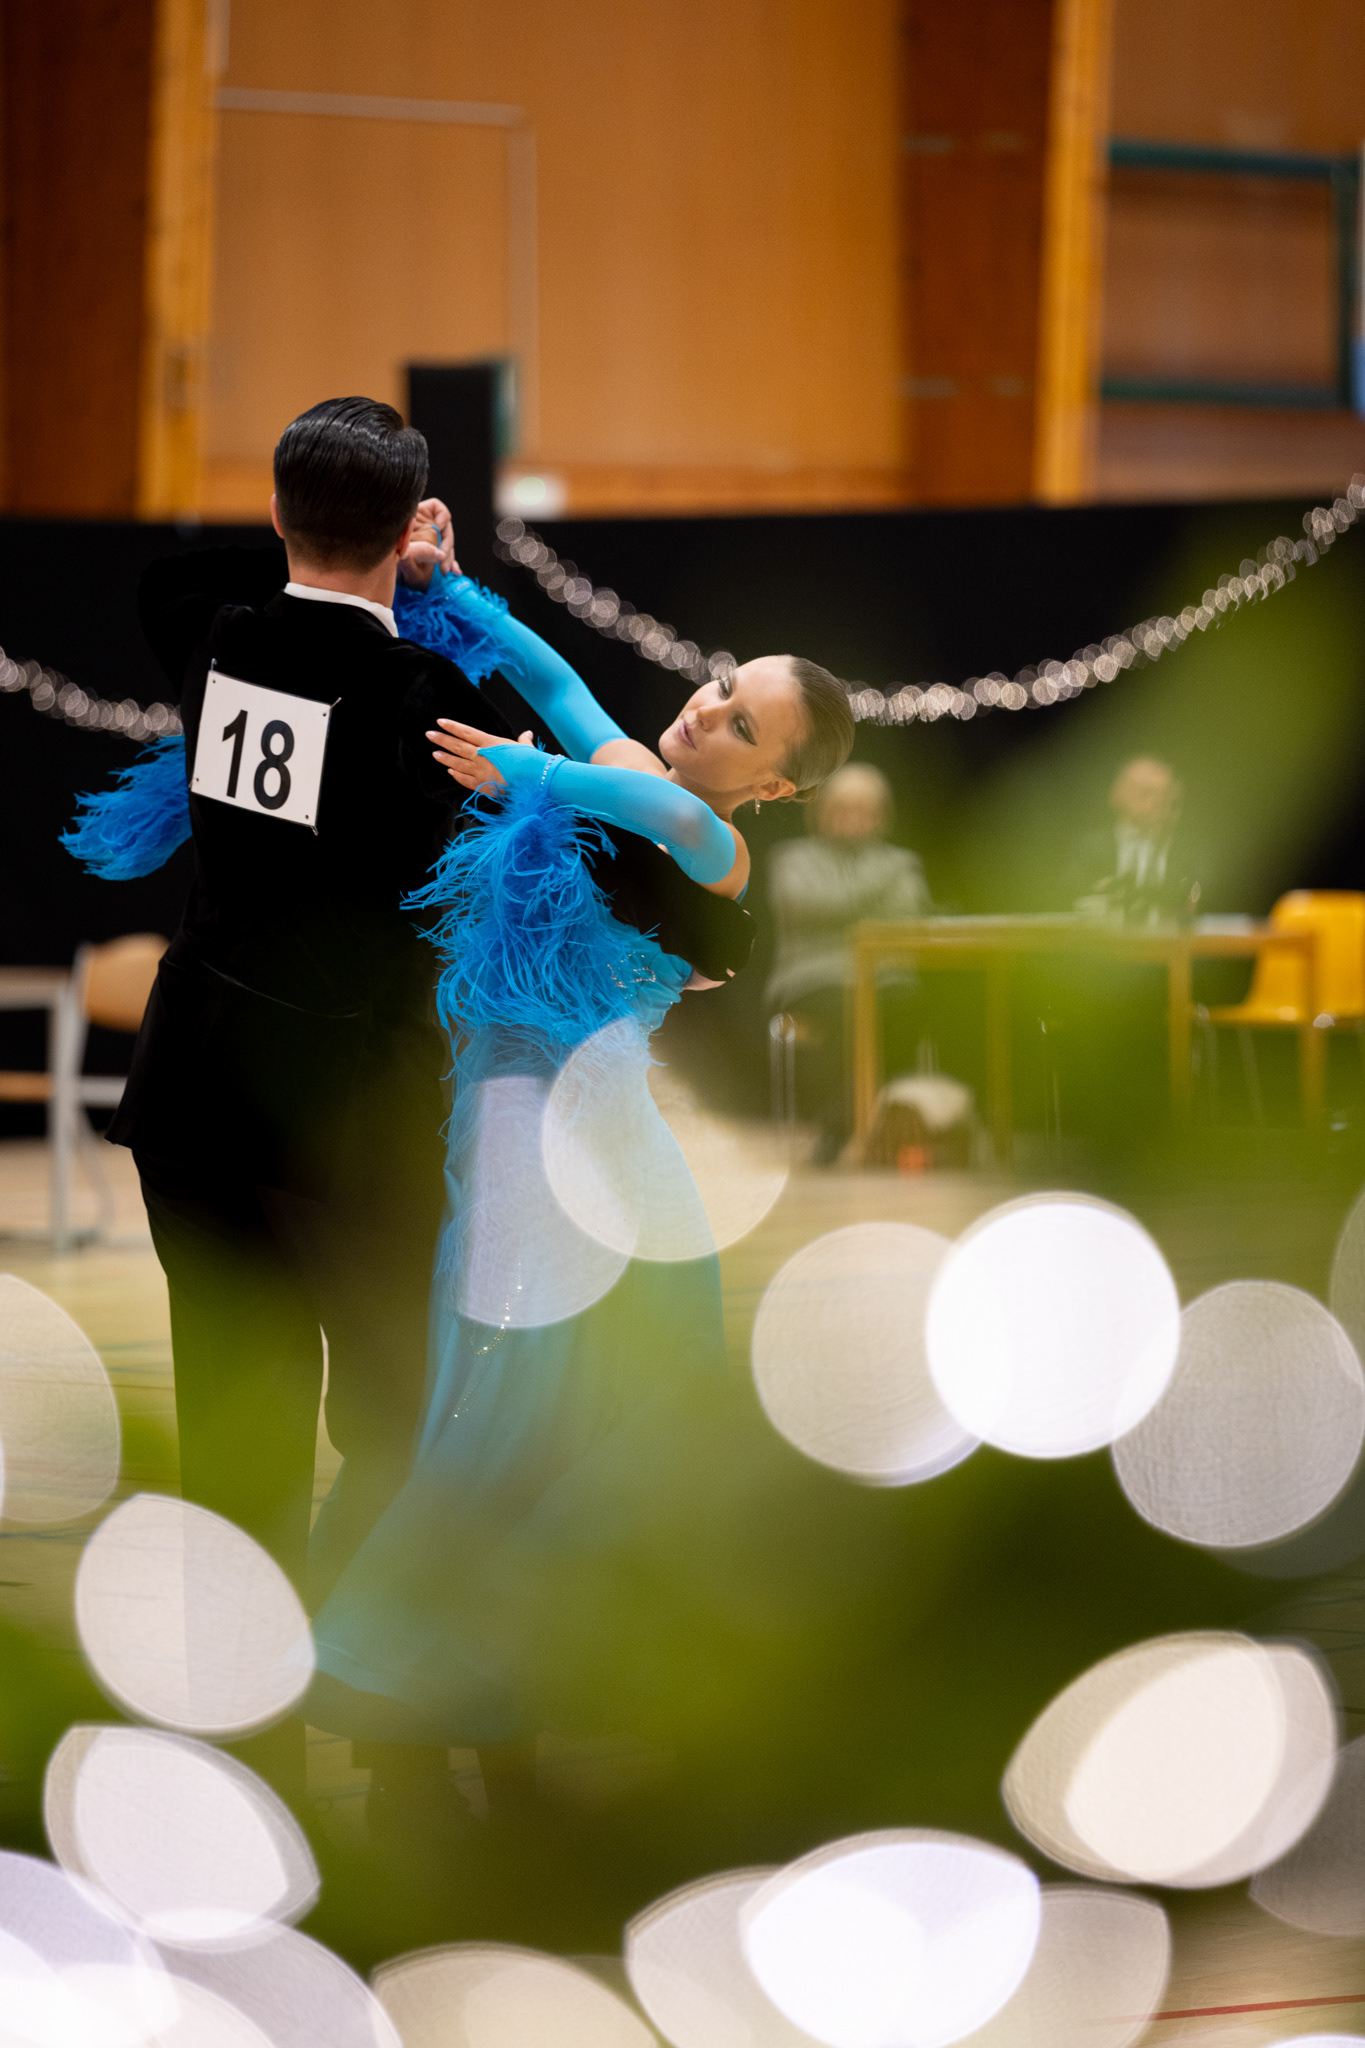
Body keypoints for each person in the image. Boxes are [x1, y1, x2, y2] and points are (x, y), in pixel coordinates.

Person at [72, 397, 754, 1805]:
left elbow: (181, 571)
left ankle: (241, 1751)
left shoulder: (212, 633)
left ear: (279, 514)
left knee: (236, 1425)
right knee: (394, 1423)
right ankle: (384, 1709)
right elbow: (607, 826)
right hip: (342, 1130)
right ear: (406, 529)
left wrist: (351, 546)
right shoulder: (421, 704)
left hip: (192, 1102)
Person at [304, 585, 855, 1822]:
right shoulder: (624, 771)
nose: (706, 711)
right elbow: (558, 684)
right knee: (493, 1410)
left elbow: (652, 805)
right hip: (515, 1126)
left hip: (604, 1150)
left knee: (587, 1422)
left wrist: (524, 774)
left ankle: (499, 1699)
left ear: (775, 784)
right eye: (723, 685)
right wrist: (454, 590)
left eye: (743, 726)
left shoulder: (712, 842)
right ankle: (423, 1707)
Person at [764, 763, 930, 1162]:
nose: (852, 818)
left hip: (886, 978)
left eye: (863, 809)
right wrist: (879, 888)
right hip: (811, 979)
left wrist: (848, 908)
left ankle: (889, 1129)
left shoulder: (902, 862)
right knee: (849, 1009)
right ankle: (841, 1129)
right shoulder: (790, 859)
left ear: (881, 816)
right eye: (842, 808)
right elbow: (809, 904)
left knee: (908, 1006)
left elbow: (909, 914)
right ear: (819, 812)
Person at [1068, 755, 1200, 923]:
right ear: (1118, 794)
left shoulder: (1192, 850)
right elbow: (1069, 895)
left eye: (1165, 794)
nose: (1158, 802)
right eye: (1146, 793)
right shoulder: (1091, 847)